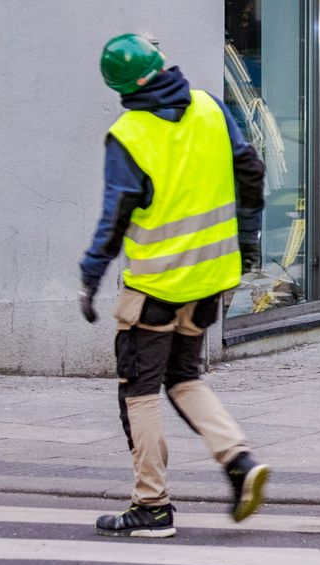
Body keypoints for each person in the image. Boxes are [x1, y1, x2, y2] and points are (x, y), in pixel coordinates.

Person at [78, 33, 272, 537]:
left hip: (156, 287)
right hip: (210, 281)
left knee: (139, 390)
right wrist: (248, 240)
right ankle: (239, 461)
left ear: (121, 87)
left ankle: (152, 505)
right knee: (184, 376)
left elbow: (114, 217)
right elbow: (251, 171)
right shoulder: (211, 108)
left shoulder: (129, 135)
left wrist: (90, 275)